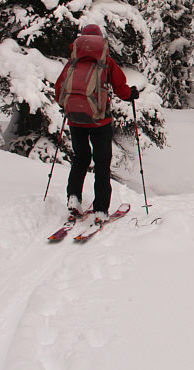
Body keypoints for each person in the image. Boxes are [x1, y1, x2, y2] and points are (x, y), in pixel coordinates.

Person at [55, 24, 138, 223]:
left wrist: (70, 106)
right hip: (100, 121)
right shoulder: (105, 62)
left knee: (80, 159)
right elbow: (121, 89)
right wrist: (131, 94)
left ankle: (74, 198)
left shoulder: (72, 62)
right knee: (101, 164)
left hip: (75, 120)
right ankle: (101, 209)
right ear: (100, 40)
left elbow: (59, 89)